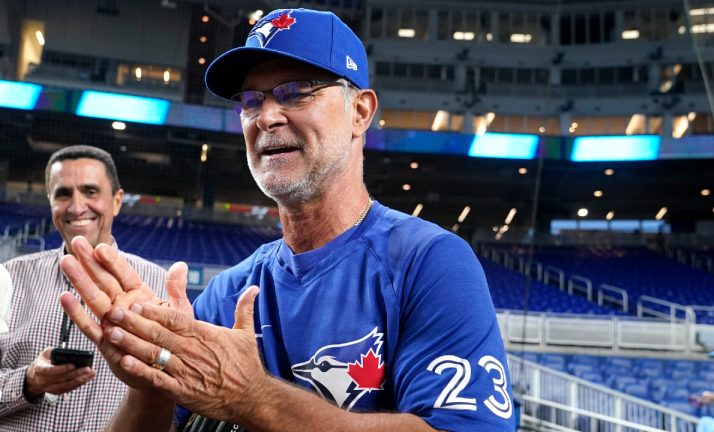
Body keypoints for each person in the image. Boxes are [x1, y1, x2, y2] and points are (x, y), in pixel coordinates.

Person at [59, 8, 515, 432]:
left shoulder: (430, 262)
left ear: (360, 112)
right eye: (251, 101)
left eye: (295, 92)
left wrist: (255, 398)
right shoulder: (228, 293)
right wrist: (152, 373)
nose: (267, 116)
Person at [0, 145, 167, 431]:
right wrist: (27, 382)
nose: (77, 207)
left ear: (116, 201)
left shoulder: (158, 286)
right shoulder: (8, 278)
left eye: (90, 192)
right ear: (51, 203)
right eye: (63, 194)